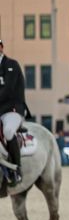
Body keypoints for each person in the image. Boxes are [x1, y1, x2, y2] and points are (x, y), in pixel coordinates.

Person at [0, 40, 28, 185]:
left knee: (8, 130)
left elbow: (9, 89)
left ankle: (16, 169)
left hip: (12, 109)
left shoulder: (11, 65)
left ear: (1, 47)